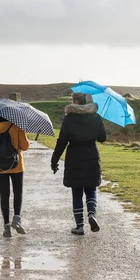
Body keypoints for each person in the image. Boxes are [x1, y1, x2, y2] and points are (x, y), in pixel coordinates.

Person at [51, 93, 106, 235]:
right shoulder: (96, 117)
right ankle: (92, 215)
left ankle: (80, 226)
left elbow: (62, 141)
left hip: (74, 156)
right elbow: (102, 138)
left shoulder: (69, 118)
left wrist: (54, 160)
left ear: (75, 102)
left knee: (76, 191)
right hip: (91, 155)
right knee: (91, 188)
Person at [0, 115, 30, 237]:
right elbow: (25, 147)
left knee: (4, 195)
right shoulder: (17, 127)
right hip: (16, 166)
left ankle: (6, 227)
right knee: (18, 192)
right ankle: (16, 219)